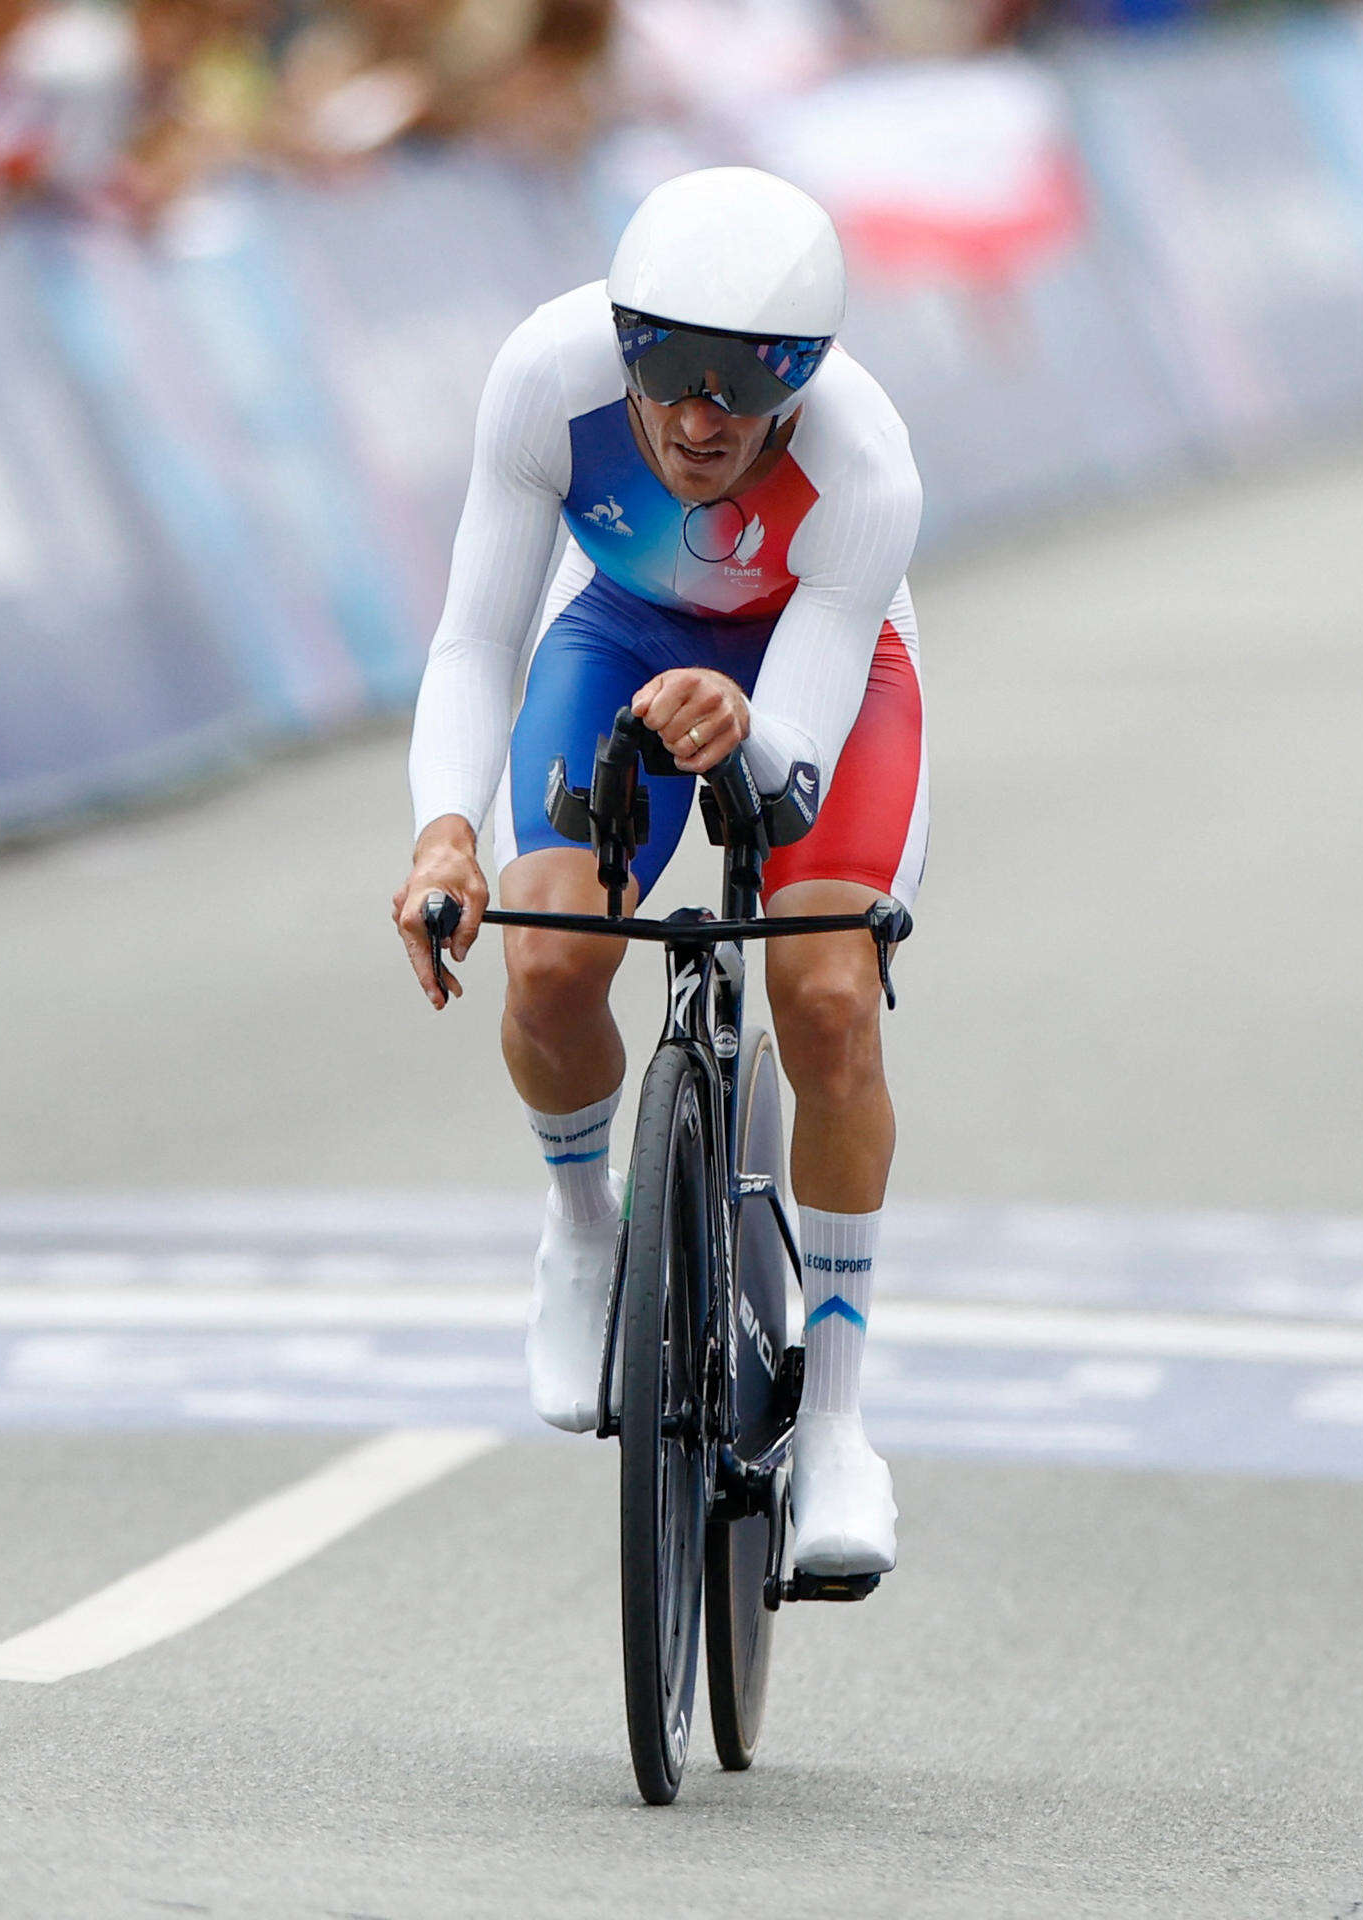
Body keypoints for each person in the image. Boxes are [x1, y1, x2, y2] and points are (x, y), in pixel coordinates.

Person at [392, 166, 925, 1578]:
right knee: (554, 956)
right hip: (620, 640)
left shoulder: (865, 468)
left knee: (827, 1001)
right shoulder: (545, 381)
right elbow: (473, 641)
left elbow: (794, 755)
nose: (699, 419)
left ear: (805, 381)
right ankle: (582, 1229)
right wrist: (448, 822)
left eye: (745, 388)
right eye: (670, 372)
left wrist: (750, 736)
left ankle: (841, 1428)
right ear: (622, 341)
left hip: (824, 677)